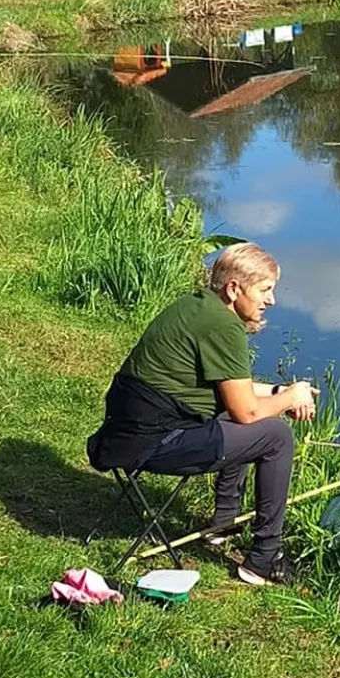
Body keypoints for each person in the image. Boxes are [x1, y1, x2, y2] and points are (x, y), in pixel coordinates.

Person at [87, 242, 315, 588]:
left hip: (124, 432)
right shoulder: (223, 326)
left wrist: (278, 391)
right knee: (276, 436)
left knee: (241, 420)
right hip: (152, 442)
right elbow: (247, 411)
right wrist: (290, 399)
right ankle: (264, 559)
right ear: (234, 288)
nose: (271, 300)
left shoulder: (197, 306)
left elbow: (234, 390)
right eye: (265, 290)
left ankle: (223, 524)